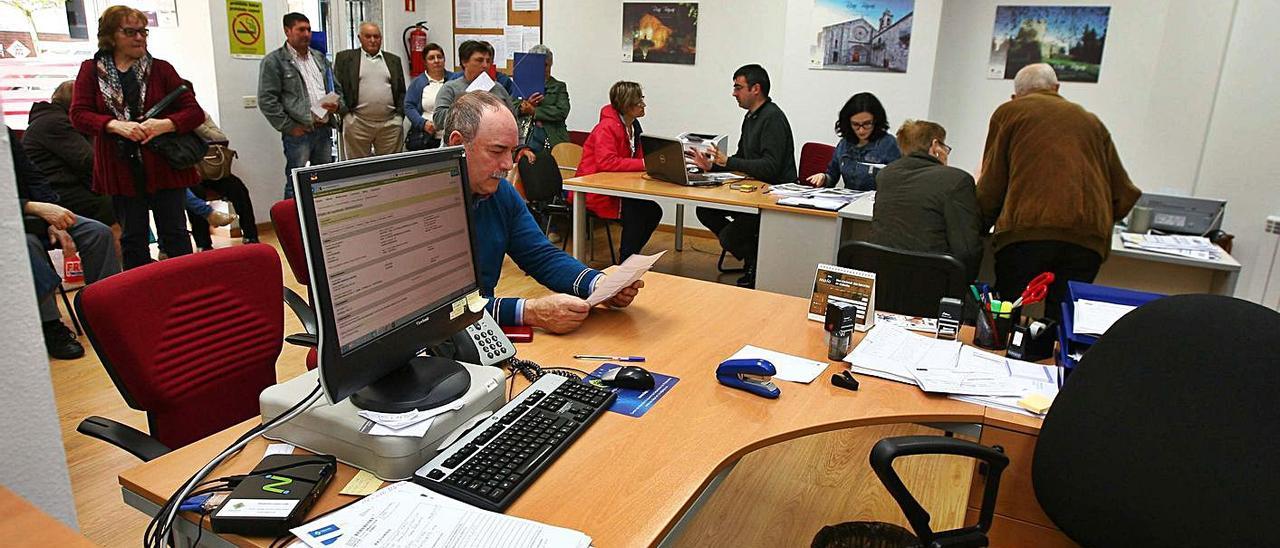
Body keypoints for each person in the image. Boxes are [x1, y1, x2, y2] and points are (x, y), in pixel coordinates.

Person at [444, 91, 643, 333]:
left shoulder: (501, 193)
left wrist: (600, 284)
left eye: (512, 151)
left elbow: (542, 256)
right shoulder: (417, 207)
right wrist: (528, 312)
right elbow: (442, 312)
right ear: (457, 145)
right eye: (497, 151)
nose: (508, 164)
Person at [976, 63, 1141, 320]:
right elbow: (1124, 192)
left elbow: (992, 181)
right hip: (1086, 240)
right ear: (1056, 88)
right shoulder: (1091, 121)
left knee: (1005, 312)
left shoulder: (1010, 112)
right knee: (1062, 320)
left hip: (1027, 234)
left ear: (1015, 95)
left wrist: (978, 226)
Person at [69, 5, 205, 270]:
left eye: (143, 32)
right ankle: (141, 300)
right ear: (110, 35)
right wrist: (114, 126)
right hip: (121, 169)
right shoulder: (91, 70)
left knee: (175, 234)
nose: (139, 38)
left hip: (165, 165)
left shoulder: (162, 69)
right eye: (130, 32)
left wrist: (164, 124)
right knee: (133, 238)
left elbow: (193, 113)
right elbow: (78, 114)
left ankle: (186, 290)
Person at [11, 127, 121, 359]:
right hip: (13, 220)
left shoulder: (5, 134)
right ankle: (50, 325)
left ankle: (103, 312)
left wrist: (50, 214)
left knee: (97, 232)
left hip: (32, 212)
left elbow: (34, 176)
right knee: (28, 245)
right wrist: (33, 208)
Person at [690, 64, 796, 288]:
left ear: (755, 89)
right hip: (752, 190)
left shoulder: (772, 118)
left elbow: (771, 168)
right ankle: (754, 257)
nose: (734, 93)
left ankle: (757, 262)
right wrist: (712, 167)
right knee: (705, 209)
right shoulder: (751, 117)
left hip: (773, 194)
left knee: (730, 237)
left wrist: (727, 162)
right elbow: (743, 159)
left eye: (738, 87)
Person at [869, 120, 983, 280]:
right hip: (931, 280)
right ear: (936, 145)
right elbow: (967, 250)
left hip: (883, 279)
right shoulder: (957, 180)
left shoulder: (886, 175)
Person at [258, 12, 344, 198]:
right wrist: (289, 127)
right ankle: (293, 224)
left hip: (323, 129)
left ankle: (320, 223)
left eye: (309, 30)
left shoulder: (320, 58)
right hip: (299, 133)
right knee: (295, 184)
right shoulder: (275, 62)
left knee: (323, 183)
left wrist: (337, 106)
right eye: (301, 30)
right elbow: (267, 100)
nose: (306, 34)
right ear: (287, 31)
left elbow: (336, 88)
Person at [577, 81, 663, 261]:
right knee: (637, 212)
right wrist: (645, 164)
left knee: (653, 211)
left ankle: (631, 257)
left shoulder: (634, 126)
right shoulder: (606, 128)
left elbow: (637, 158)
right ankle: (626, 260)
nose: (643, 104)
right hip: (596, 189)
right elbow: (607, 163)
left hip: (618, 187)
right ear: (626, 104)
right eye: (638, 101)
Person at [22, 80, 116, 227]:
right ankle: (127, 249)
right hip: (53, 193)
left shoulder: (51, 119)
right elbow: (88, 161)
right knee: (115, 202)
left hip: (60, 187)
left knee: (122, 197)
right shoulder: (55, 122)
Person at [333, 22, 405, 159]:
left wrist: (399, 117)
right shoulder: (345, 59)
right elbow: (337, 89)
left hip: (389, 125)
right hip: (357, 123)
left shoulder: (393, 60)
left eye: (376, 36)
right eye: (368, 36)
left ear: (381, 38)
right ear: (359, 38)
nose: (373, 40)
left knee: (390, 169)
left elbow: (401, 91)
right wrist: (346, 116)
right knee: (358, 170)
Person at [187, 112, 258, 247]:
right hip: (189, 171)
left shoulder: (201, 115)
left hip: (212, 168)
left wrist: (197, 125)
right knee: (196, 193)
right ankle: (204, 244)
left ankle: (250, 235)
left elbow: (221, 138)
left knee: (239, 189)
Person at [806, 92, 901, 191]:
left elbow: (899, 182)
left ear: (876, 121)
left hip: (877, 202)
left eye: (867, 124)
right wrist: (824, 178)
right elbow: (832, 176)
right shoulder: (844, 144)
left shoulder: (889, 144)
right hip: (850, 201)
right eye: (856, 124)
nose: (861, 130)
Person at [432, 40, 519, 138]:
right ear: (464, 62)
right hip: (461, 146)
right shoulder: (450, 88)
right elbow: (438, 120)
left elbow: (513, 118)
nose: (485, 65)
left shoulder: (498, 88)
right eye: (479, 60)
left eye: (488, 61)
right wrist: (463, 106)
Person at [404, 42, 458, 150]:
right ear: (425, 62)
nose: (436, 61)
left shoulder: (455, 79)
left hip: (451, 137)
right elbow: (408, 106)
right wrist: (423, 124)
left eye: (440, 57)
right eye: (431, 58)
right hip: (426, 137)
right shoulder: (418, 83)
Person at [524, 44, 570, 151]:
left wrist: (535, 111)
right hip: (526, 136)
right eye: (537, 65)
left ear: (550, 64)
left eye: (545, 65)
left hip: (552, 137)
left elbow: (562, 111)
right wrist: (523, 107)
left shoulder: (559, 86)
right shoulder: (522, 84)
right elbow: (513, 107)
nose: (542, 69)